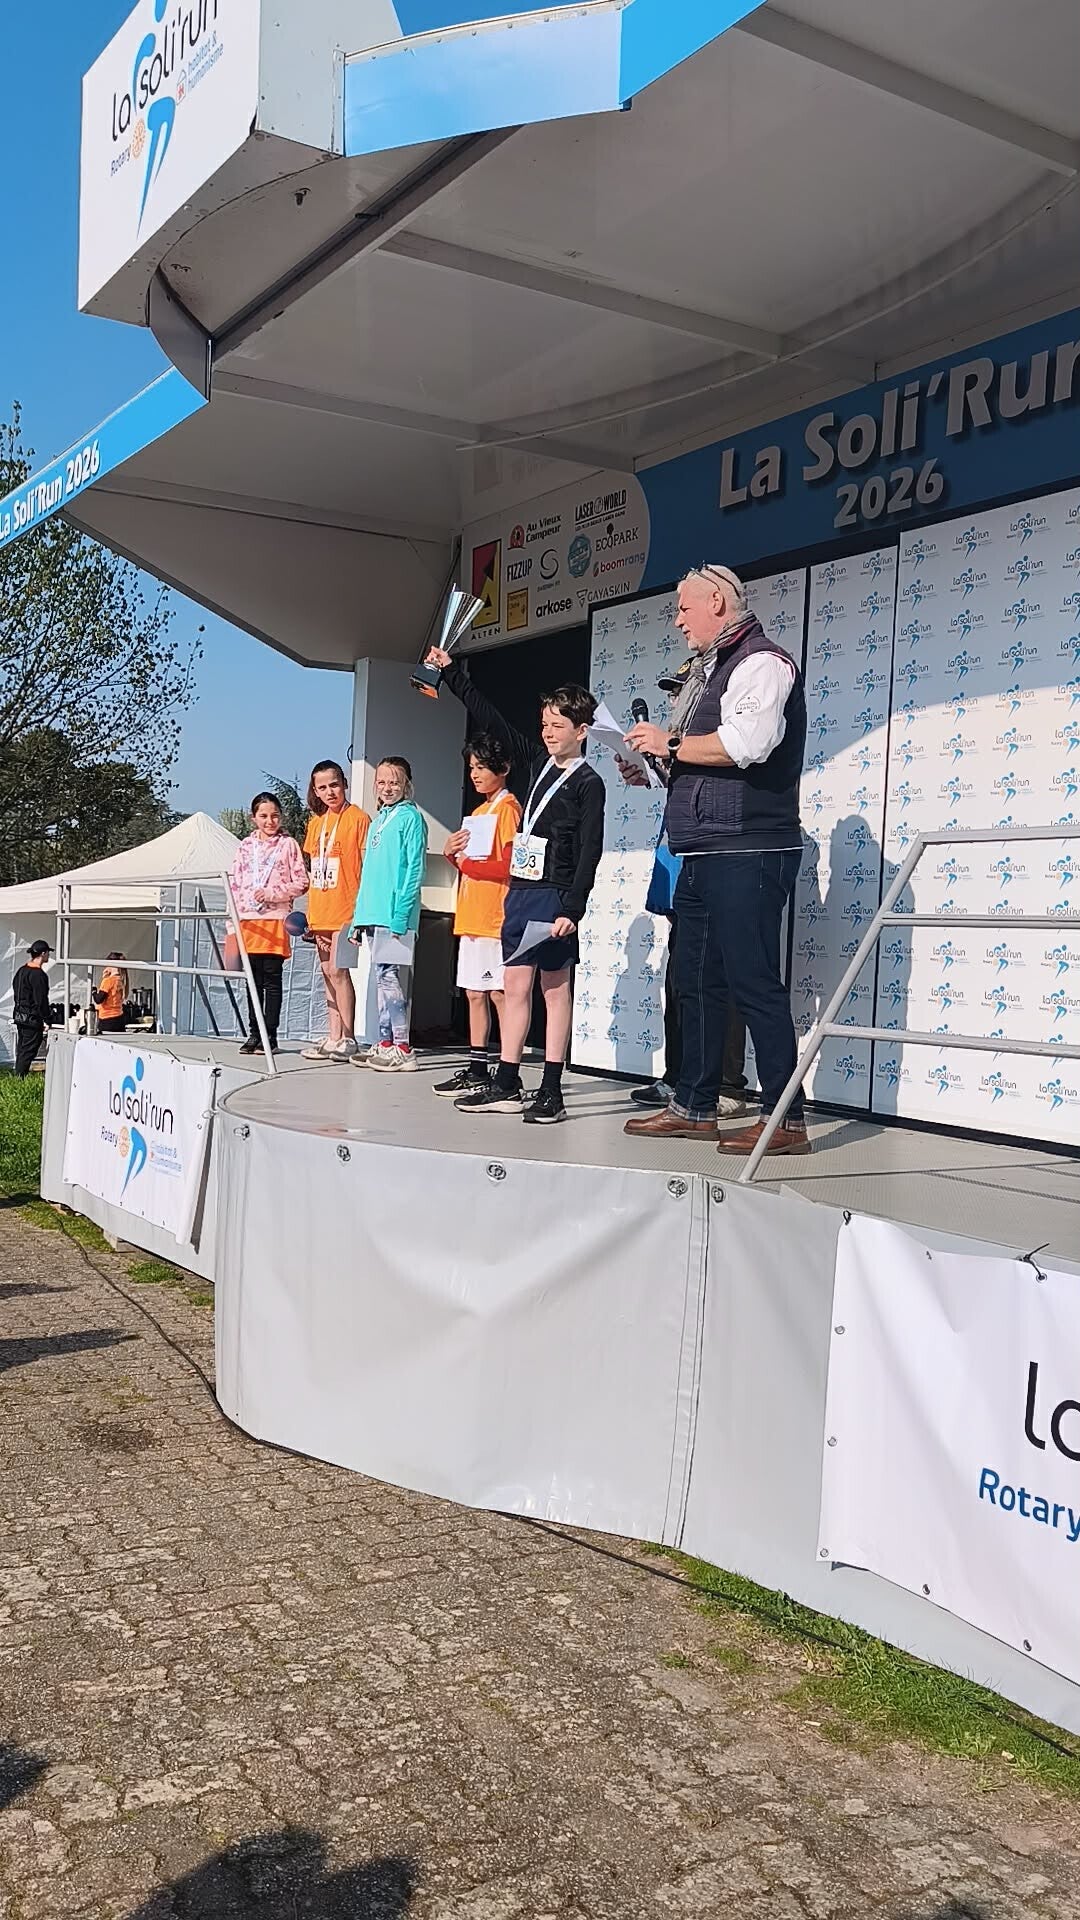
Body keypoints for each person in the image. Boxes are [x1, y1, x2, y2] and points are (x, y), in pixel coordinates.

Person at [624, 564, 809, 1157]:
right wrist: (655, 766)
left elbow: (748, 745)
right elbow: (702, 763)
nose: (677, 620)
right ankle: (694, 1105)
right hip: (705, 849)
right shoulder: (710, 669)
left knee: (753, 980)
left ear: (718, 604)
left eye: (684, 607)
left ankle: (786, 1119)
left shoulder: (762, 661)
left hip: (749, 848)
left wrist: (671, 743)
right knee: (695, 979)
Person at [425, 647, 605, 1125]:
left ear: (581, 731)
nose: (548, 733)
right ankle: (507, 1080)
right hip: (521, 892)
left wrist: (573, 907)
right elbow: (493, 719)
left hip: (554, 894)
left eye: (558, 726)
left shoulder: (588, 782)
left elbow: (590, 848)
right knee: (515, 984)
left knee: (555, 990)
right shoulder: (537, 764)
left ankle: (552, 1089)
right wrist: (452, 674)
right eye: (544, 725)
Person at [434, 731, 522, 1099]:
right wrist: (451, 855)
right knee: (474, 993)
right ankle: (477, 1066)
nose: (475, 774)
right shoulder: (478, 813)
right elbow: (468, 863)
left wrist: (466, 863)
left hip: (494, 916)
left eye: (482, 767)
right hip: (471, 914)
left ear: (502, 768)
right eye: (472, 767)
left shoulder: (508, 809)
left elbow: (510, 865)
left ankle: (509, 1070)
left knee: (499, 993)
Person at [348, 757, 428, 1072]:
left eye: (394, 782)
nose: (387, 788)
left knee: (388, 976)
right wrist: (358, 918)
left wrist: (401, 914)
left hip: (394, 913)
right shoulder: (379, 819)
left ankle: (403, 1046)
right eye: (382, 782)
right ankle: (385, 1043)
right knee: (381, 976)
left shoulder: (411, 818)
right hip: (372, 911)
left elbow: (414, 869)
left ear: (406, 784)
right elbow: (368, 873)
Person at [301, 761, 371, 1063]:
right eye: (322, 787)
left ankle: (349, 1037)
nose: (329, 792)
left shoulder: (359, 818)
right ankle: (333, 1036)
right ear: (315, 791)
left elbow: (366, 866)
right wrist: (309, 913)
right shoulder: (316, 823)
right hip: (321, 909)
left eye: (334, 785)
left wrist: (361, 912)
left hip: (345, 909)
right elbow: (314, 868)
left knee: (340, 971)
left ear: (344, 784)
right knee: (327, 972)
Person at [230, 793, 308, 1055]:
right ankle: (254, 1033)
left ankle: (270, 1036)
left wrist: (273, 894)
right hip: (248, 920)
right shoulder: (245, 846)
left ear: (281, 816)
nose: (269, 821)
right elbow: (235, 882)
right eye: (263, 816)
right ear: (253, 818)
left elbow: (302, 882)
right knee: (252, 981)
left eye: (274, 815)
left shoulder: (288, 845)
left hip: (275, 919)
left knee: (272, 979)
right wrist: (233, 919)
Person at [12, 940, 52, 1076]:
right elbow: (41, 1000)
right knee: (29, 1050)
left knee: (22, 1049)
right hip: (31, 1018)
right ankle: (20, 1078)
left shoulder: (21, 971)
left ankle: (18, 1077)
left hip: (19, 1015)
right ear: (43, 953)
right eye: (48, 952)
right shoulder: (38, 975)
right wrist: (47, 1019)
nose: (49, 955)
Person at [93, 953, 130, 1034]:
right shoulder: (120, 980)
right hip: (119, 1017)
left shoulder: (108, 981)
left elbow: (99, 999)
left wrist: (94, 992)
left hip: (107, 1018)